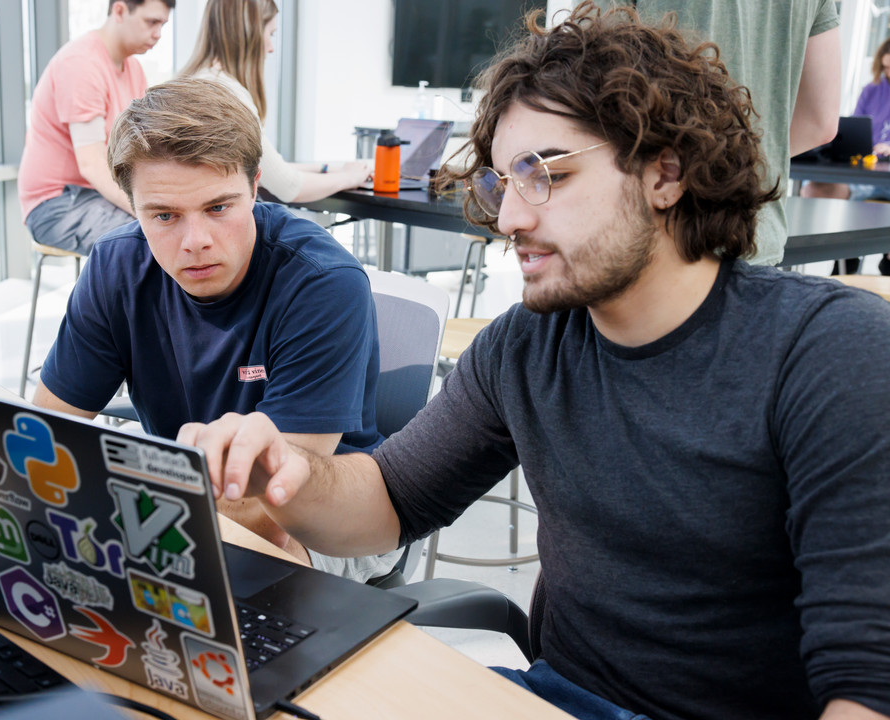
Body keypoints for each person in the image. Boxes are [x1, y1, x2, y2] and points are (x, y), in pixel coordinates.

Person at [178, 4, 890, 719]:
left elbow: (867, 687)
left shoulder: (829, 354)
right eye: (501, 184)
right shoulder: (530, 343)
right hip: (553, 699)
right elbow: (390, 501)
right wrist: (288, 479)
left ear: (665, 174)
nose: (510, 219)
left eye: (544, 174)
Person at [32, 77, 399, 584]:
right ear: (131, 206)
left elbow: (275, 509)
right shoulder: (116, 267)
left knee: (247, 578)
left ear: (255, 187)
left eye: (218, 207)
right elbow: (42, 434)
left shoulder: (321, 284)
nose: (195, 242)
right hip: (184, 501)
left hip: (325, 514)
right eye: (163, 216)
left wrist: (117, 535)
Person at [597, 0, 840, 267]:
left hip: (650, 248)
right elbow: (821, 123)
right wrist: (735, 163)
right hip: (756, 241)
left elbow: (590, 89)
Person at [17, 0, 173, 255]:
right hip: (57, 203)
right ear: (120, 10)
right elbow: (92, 164)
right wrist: (154, 210)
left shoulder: (134, 69)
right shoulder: (82, 64)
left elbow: (142, 147)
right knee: (151, 241)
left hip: (97, 195)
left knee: (175, 228)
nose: (158, 34)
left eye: (163, 25)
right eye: (151, 22)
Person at [179, 0, 372, 203]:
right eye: (270, 34)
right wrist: (350, 178)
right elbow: (289, 186)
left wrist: (325, 168)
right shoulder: (227, 91)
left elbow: (256, 168)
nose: (271, 48)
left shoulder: (194, 80)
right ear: (248, 33)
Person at [801, 36, 890, 276]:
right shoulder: (872, 90)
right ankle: (843, 261)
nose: (888, 73)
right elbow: (855, 127)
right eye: (885, 68)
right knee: (814, 189)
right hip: (865, 172)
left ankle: (880, 264)